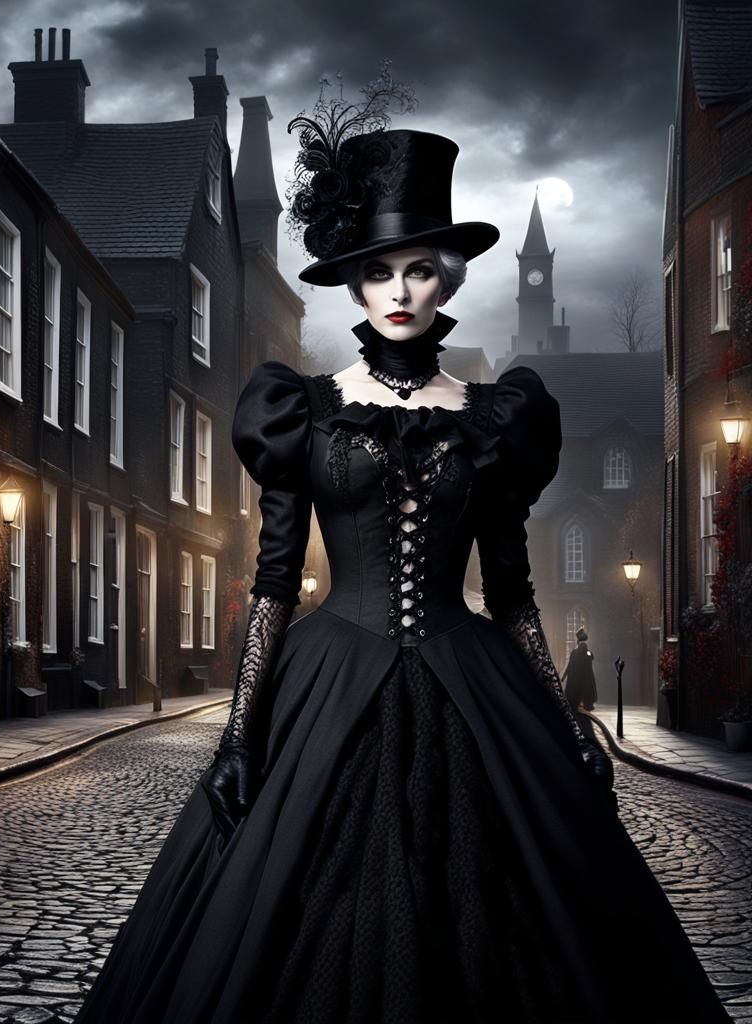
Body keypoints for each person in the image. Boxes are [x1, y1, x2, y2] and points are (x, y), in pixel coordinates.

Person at [73, 125, 733, 1023]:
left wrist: (565, 718)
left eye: (419, 270)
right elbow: (274, 582)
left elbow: (513, 592)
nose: (399, 290)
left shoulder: (497, 416)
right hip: (328, 680)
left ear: (447, 281)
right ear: (354, 283)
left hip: (470, 682)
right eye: (379, 272)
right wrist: (237, 739)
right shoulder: (301, 410)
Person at [564, 627, 598, 712]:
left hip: (580, 677)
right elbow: (591, 657)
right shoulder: (580, 652)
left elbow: (570, 665)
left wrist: (564, 677)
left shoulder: (576, 652)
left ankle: (581, 703)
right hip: (582, 677)